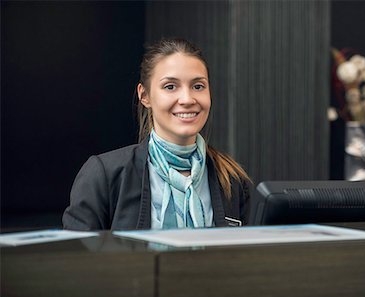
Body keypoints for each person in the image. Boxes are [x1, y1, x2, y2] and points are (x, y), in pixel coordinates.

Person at [62, 38, 252, 230]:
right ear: (144, 96)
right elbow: (76, 257)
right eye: (170, 87)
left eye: (198, 86)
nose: (187, 99)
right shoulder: (103, 175)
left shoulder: (231, 180)